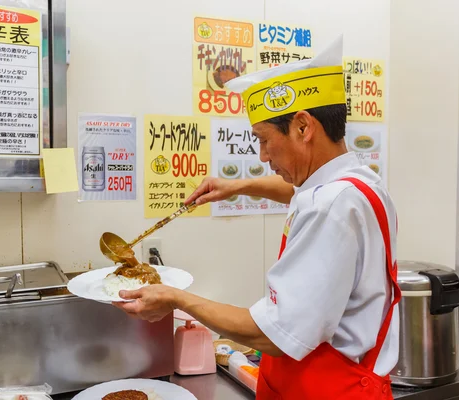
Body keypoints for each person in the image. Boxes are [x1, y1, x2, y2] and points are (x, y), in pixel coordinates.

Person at [113, 36, 400, 399]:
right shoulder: (358, 183)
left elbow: (273, 334)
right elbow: (298, 193)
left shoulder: (330, 208)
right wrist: (237, 186)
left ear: (303, 127)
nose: (263, 156)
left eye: (264, 140)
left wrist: (176, 300)